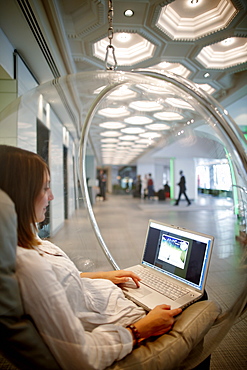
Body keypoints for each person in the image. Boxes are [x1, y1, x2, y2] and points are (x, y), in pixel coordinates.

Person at [0, 145, 181, 370]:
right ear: (22, 193)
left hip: (104, 301)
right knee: (196, 302)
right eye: (45, 188)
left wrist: (102, 276)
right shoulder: (29, 267)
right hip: (116, 324)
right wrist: (141, 329)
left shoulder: (27, 242)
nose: (52, 196)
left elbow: (58, 282)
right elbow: (81, 356)